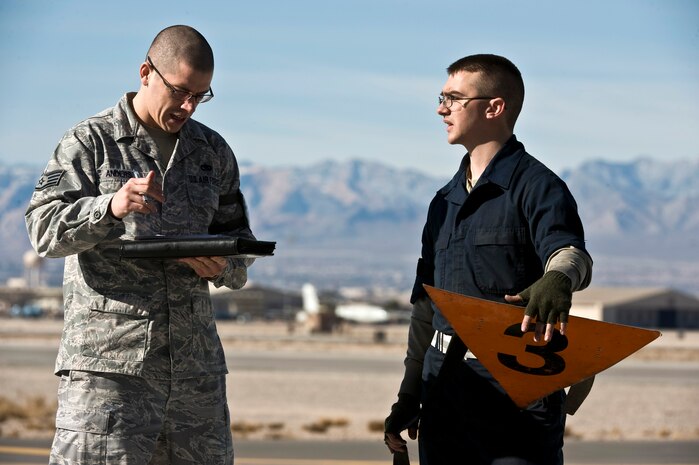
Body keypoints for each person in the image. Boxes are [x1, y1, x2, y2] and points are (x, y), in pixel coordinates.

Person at [25, 25, 254, 464]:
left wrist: (222, 266)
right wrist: (108, 207)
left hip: (194, 378)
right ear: (146, 72)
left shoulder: (212, 151)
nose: (188, 106)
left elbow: (239, 244)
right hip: (109, 376)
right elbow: (42, 229)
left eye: (201, 96)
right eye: (181, 91)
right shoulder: (90, 143)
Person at [384, 54, 593, 464]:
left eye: (454, 98)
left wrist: (560, 279)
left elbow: (569, 253)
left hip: (517, 394)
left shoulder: (538, 187)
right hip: (443, 389)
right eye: (441, 97)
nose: (441, 108)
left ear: (494, 107)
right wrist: (409, 395)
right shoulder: (443, 203)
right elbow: (426, 310)